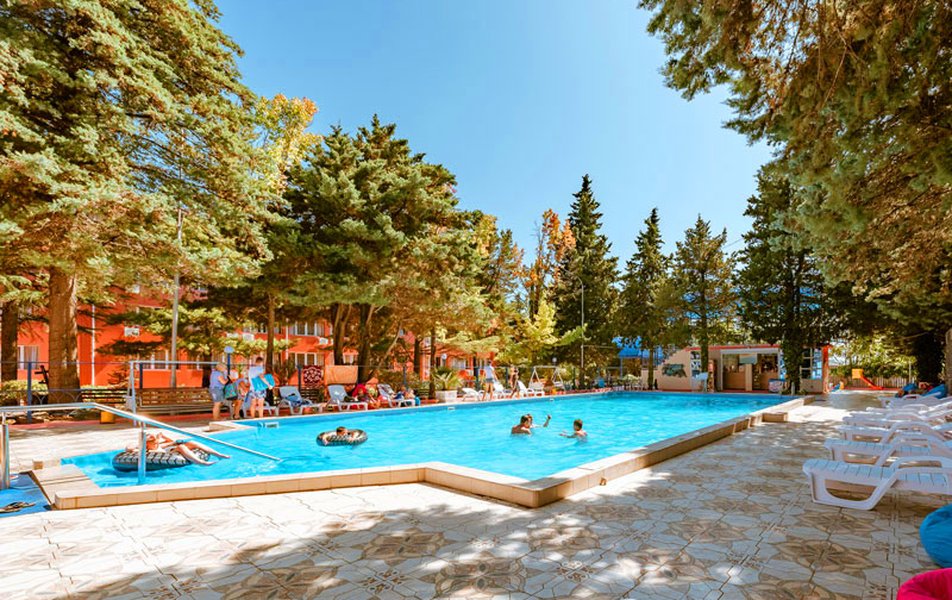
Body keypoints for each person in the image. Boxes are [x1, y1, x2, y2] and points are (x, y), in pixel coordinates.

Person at [129, 431, 231, 466]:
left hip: (171, 452)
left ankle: (218, 455)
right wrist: (140, 444)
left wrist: (163, 436)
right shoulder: (145, 449)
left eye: (151, 435)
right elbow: (129, 448)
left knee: (192, 442)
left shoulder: (160, 444)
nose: (151, 436)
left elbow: (173, 441)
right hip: (167, 455)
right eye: (148, 436)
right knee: (181, 446)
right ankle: (200, 462)